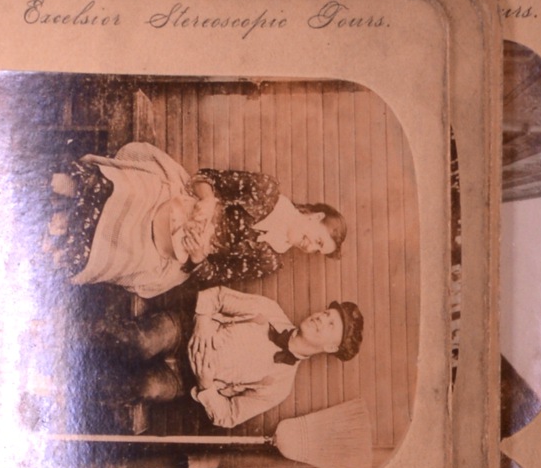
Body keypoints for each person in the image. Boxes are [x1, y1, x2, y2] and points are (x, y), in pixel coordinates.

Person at [47, 140, 345, 298]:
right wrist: (207, 200)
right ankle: (62, 189)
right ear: (315, 216)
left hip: (183, 248)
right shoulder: (267, 190)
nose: (311, 247)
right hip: (182, 201)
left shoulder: (269, 260)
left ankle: (62, 233)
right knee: (135, 193)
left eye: (318, 251)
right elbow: (208, 178)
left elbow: (213, 274)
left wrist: (200, 255)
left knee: (131, 254)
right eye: (318, 239)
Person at [185, 289, 364, 427]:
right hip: (184, 332)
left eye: (330, 324)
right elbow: (218, 295)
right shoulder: (269, 309)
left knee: (155, 389)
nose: (321, 319)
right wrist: (202, 325)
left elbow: (228, 416)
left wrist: (205, 385)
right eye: (326, 314)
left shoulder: (279, 386)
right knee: (158, 335)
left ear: (331, 347)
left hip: (184, 380)